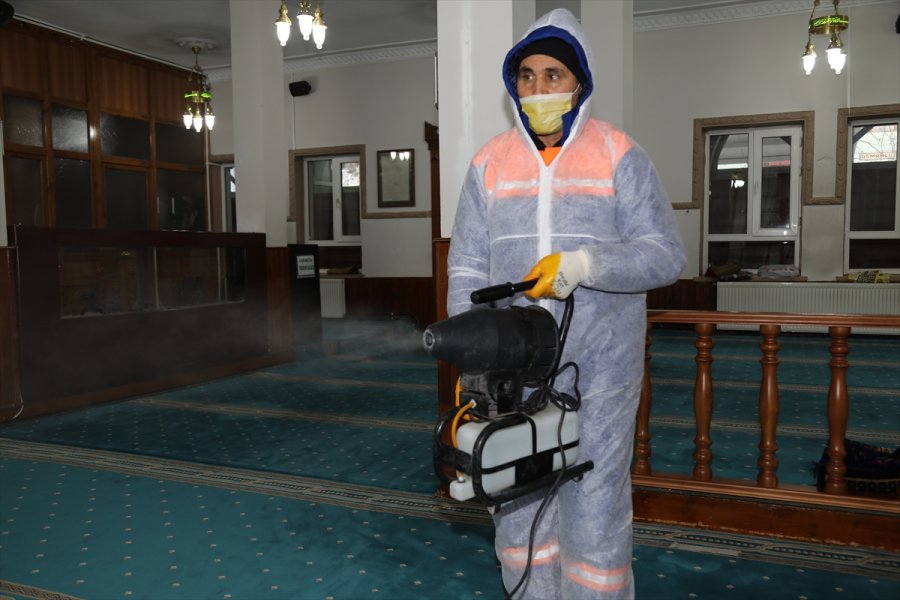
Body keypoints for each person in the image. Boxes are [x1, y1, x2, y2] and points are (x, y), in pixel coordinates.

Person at [446, 8, 686, 599]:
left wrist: (584, 266)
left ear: (579, 83)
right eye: (526, 76)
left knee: (594, 499)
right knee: (515, 495)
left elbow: (665, 255)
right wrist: (473, 350)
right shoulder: (489, 164)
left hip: (601, 367)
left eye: (553, 75)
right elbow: (467, 266)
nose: (538, 89)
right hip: (514, 369)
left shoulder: (618, 154)